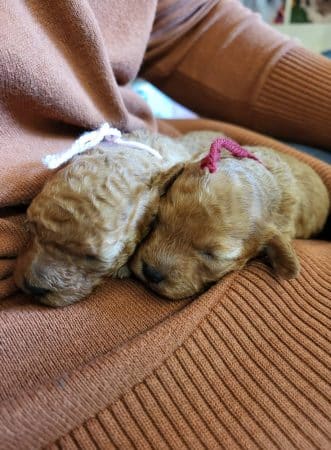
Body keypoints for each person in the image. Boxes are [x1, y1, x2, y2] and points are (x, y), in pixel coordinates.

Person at [0, 1, 330, 448]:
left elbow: (191, 23)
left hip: (157, 146)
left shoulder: (187, 186)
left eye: (209, 252)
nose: (156, 259)